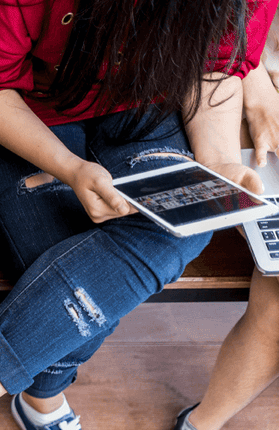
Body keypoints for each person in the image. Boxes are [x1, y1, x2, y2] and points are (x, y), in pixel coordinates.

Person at [0, 0, 279, 429]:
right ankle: (40, 397)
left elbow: (214, 65)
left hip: (146, 109)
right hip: (24, 109)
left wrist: (219, 164)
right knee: (60, 271)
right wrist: (69, 168)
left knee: (176, 232)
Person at [174, 16, 279, 430]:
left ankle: (200, 423)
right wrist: (250, 75)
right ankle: (201, 423)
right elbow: (205, 25)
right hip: (229, 85)